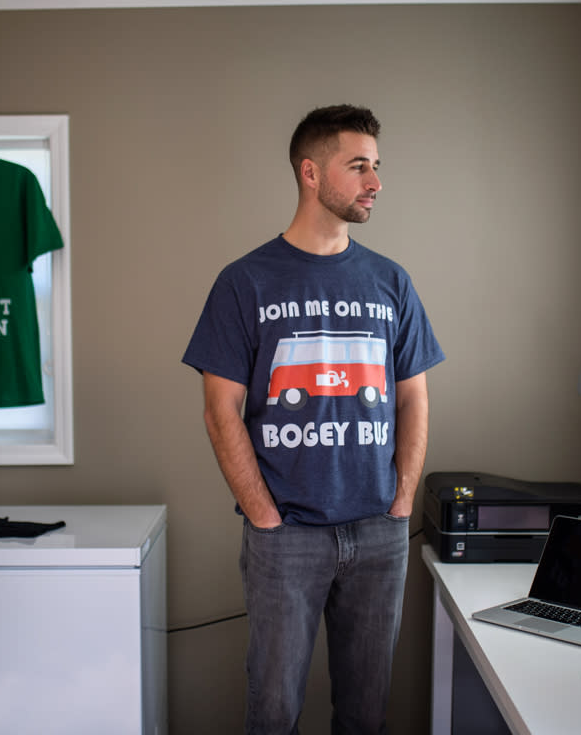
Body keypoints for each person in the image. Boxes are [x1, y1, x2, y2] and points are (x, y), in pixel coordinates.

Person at [182, 104, 444, 734]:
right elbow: (222, 412)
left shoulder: (392, 283)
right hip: (286, 537)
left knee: (365, 714)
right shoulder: (244, 283)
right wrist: (265, 517)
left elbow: (414, 399)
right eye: (358, 167)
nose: (375, 182)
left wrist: (403, 500)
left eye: (376, 167)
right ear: (310, 173)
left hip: (381, 532)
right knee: (272, 712)